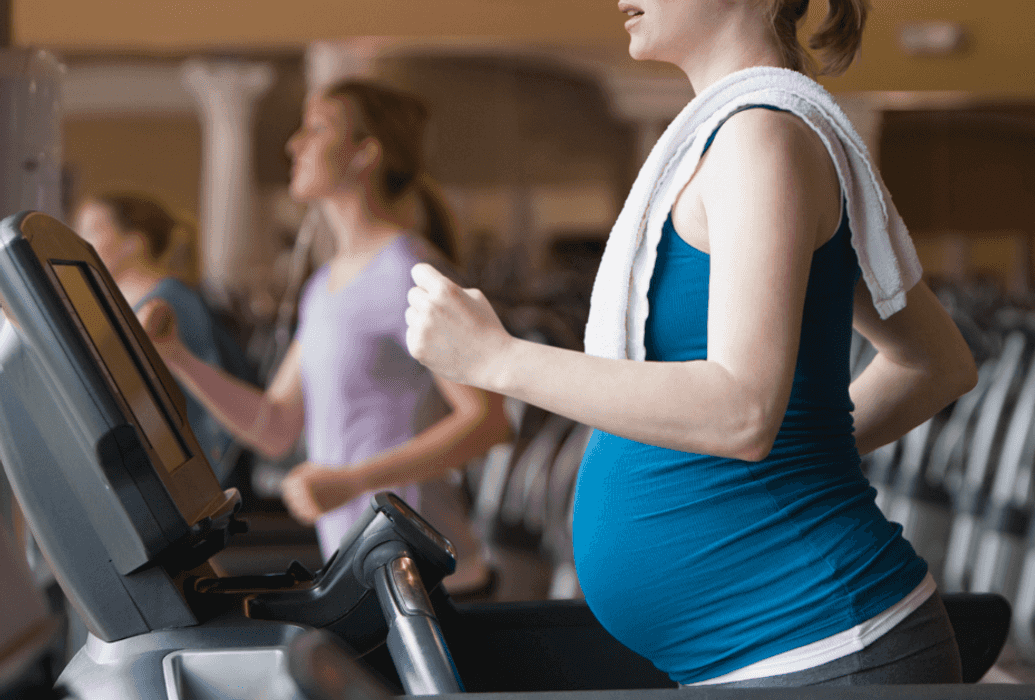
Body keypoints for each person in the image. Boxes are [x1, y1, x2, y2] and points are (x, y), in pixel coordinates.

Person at [403, 0, 979, 688]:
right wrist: (787, 457)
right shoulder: (739, 139)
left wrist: (494, 359)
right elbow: (934, 363)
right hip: (767, 654)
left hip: (819, 649)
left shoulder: (760, 140)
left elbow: (740, 409)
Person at [139, 80, 511, 597]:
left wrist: (351, 481)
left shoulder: (408, 271)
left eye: (316, 129)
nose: (294, 144)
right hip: (366, 571)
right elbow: (275, 425)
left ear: (365, 153)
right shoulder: (325, 283)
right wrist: (174, 356)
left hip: (432, 577)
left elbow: (487, 422)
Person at [74, 193, 251, 482]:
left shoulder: (167, 301)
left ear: (133, 243)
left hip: (191, 472)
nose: (79, 240)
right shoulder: (134, 302)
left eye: (92, 230)